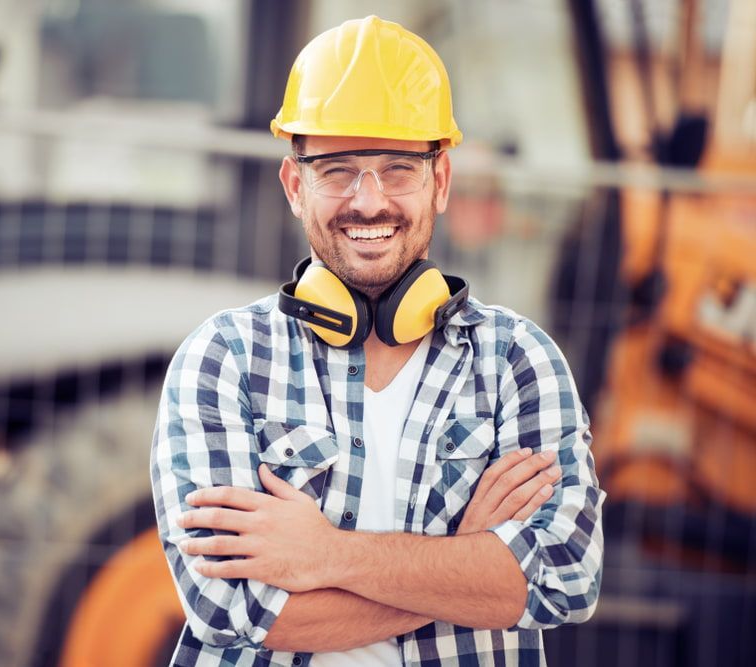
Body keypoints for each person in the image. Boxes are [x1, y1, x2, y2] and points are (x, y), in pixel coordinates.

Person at [151, 15, 604, 666]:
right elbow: (231, 608)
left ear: (440, 182)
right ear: (295, 184)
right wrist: (468, 554)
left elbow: (562, 578)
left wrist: (327, 553)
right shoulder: (224, 360)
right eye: (337, 169)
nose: (369, 201)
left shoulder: (519, 363)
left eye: (398, 169)